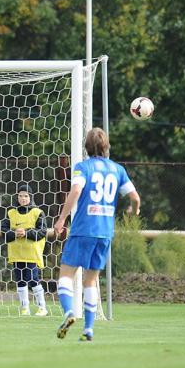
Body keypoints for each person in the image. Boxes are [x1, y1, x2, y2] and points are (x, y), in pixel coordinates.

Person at [54, 128, 140, 341]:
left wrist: (62, 219)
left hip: (83, 229)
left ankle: (69, 313)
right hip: (104, 233)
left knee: (66, 275)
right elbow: (135, 198)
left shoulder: (83, 167)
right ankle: (88, 330)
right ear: (106, 146)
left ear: (86, 147)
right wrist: (134, 210)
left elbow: (75, 191)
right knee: (90, 281)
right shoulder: (118, 170)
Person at [0, 184, 49, 317]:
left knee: (33, 279)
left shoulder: (38, 212)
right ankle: (24, 308)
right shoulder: (11, 213)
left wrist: (26, 233)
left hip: (32, 254)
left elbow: (42, 232)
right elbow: (4, 231)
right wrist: (15, 233)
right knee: (20, 280)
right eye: (20, 196)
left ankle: (42, 307)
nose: (23, 198)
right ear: (17, 197)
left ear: (30, 197)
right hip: (16, 253)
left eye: (26, 196)